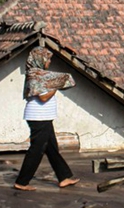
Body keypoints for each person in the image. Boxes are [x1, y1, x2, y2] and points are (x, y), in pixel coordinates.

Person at [14, 47, 80, 191]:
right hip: (38, 117)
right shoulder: (34, 75)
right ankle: (22, 181)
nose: (49, 62)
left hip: (45, 116)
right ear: (40, 59)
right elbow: (43, 97)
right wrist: (56, 86)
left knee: (51, 148)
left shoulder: (41, 75)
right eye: (47, 59)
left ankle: (64, 177)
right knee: (37, 150)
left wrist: (56, 83)